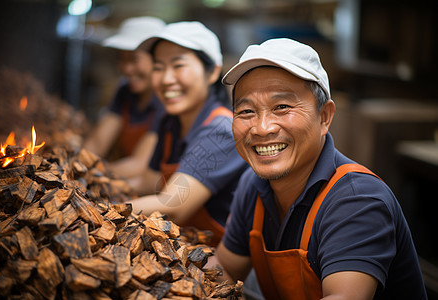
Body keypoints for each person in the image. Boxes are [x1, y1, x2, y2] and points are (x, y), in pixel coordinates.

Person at [213, 38, 428, 299]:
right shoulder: (253, 184)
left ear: (324, 117)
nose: (262, 127)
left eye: (282, 107)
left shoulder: (357, 199)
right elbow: (224, 269)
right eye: (246, 111)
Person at [128, 21, 249, 246]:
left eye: (178, 65)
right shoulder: (171, 122)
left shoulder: (221, 131)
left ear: (212, 72)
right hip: (181, 245)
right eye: (158, 67)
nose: (166, 79)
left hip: (217, 262)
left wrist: (99, 210)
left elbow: (173, 207)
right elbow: (148, 181)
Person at [84, 16, 166, 183]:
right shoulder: (125, 91)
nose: (127, 69)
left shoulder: (165, 100)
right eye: (122, 59)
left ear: (157, 60)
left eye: (134, 59)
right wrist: (76, 165)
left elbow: (139, 164)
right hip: (119, 178)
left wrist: (89, 173)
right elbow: (97, 143)